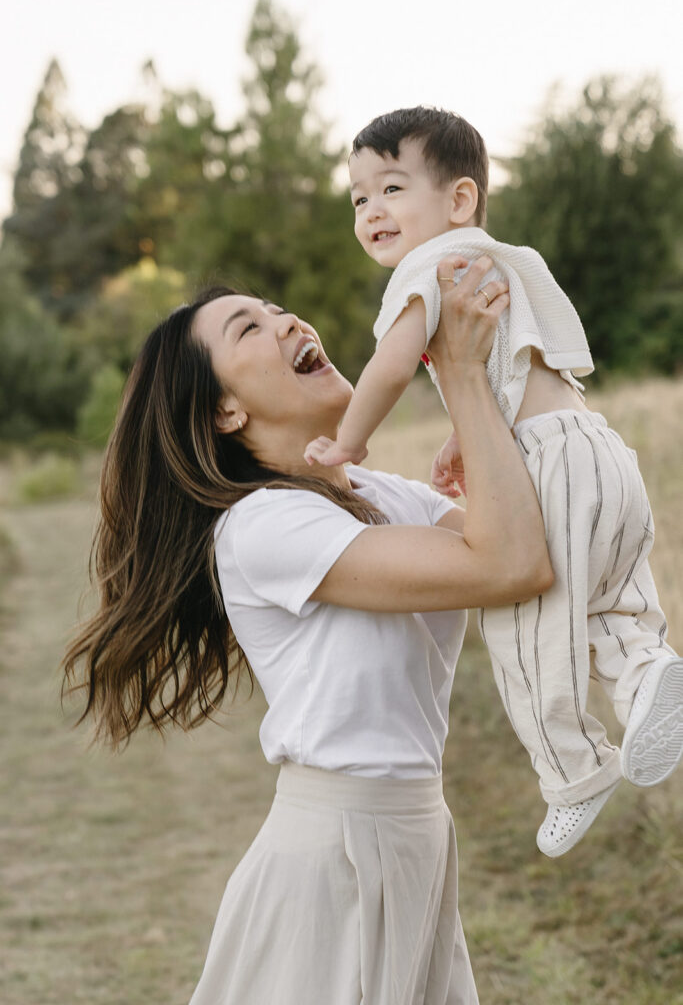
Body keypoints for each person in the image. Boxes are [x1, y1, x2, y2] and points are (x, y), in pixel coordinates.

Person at [62, 257, 553, 1005]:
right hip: (334, 862)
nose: (286, 319)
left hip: (417, 835)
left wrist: (479, 423)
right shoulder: (262, 526)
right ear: (225, 411)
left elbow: (536, 550)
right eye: (247, 327)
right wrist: (457, 372)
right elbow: (507, 565)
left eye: (275, 304)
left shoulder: (383, 495)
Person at [304, 106, 683, 858]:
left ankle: (573, 773)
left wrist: (347, 442)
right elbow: (515, 365)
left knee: (524, 629)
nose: (371, 210)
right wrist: (464, 436)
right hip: (595, 447)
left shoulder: (429, 267)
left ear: (458, 200)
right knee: (605, 599)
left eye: (389, 188)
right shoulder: (497, 258)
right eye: (357, 198)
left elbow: (388, 366)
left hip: (549, 465)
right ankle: (647, 676)